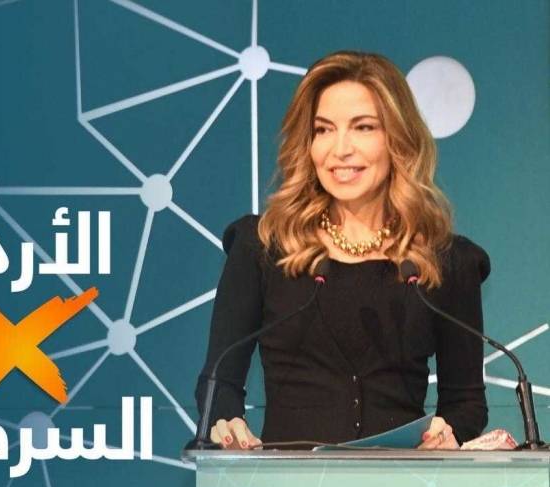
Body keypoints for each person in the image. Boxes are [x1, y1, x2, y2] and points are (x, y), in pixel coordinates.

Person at [194, 50, 489, 451]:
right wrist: (227, 425)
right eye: (324, 130)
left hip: (401, 485)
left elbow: (466, 402)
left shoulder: (443, 261)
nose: (340, 149)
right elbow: (219, 383)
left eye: (363, 127)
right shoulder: (262, 247)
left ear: (398, 139)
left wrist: (448, 433)